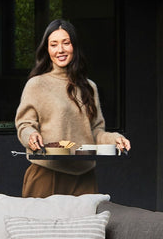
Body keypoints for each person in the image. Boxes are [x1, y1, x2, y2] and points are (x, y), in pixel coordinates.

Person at [15, 19, 130, 197]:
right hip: (47, 174)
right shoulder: (37, 84)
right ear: (47, 49)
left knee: (87, 225)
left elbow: (96, 131)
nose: (60, 50)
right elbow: (24, 124)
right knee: (41, 226)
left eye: (65, 43)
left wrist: (115, 139)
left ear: (74, 46)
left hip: (84, 177)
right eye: (53, 44)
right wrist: (31, 136)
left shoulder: (89, 87)